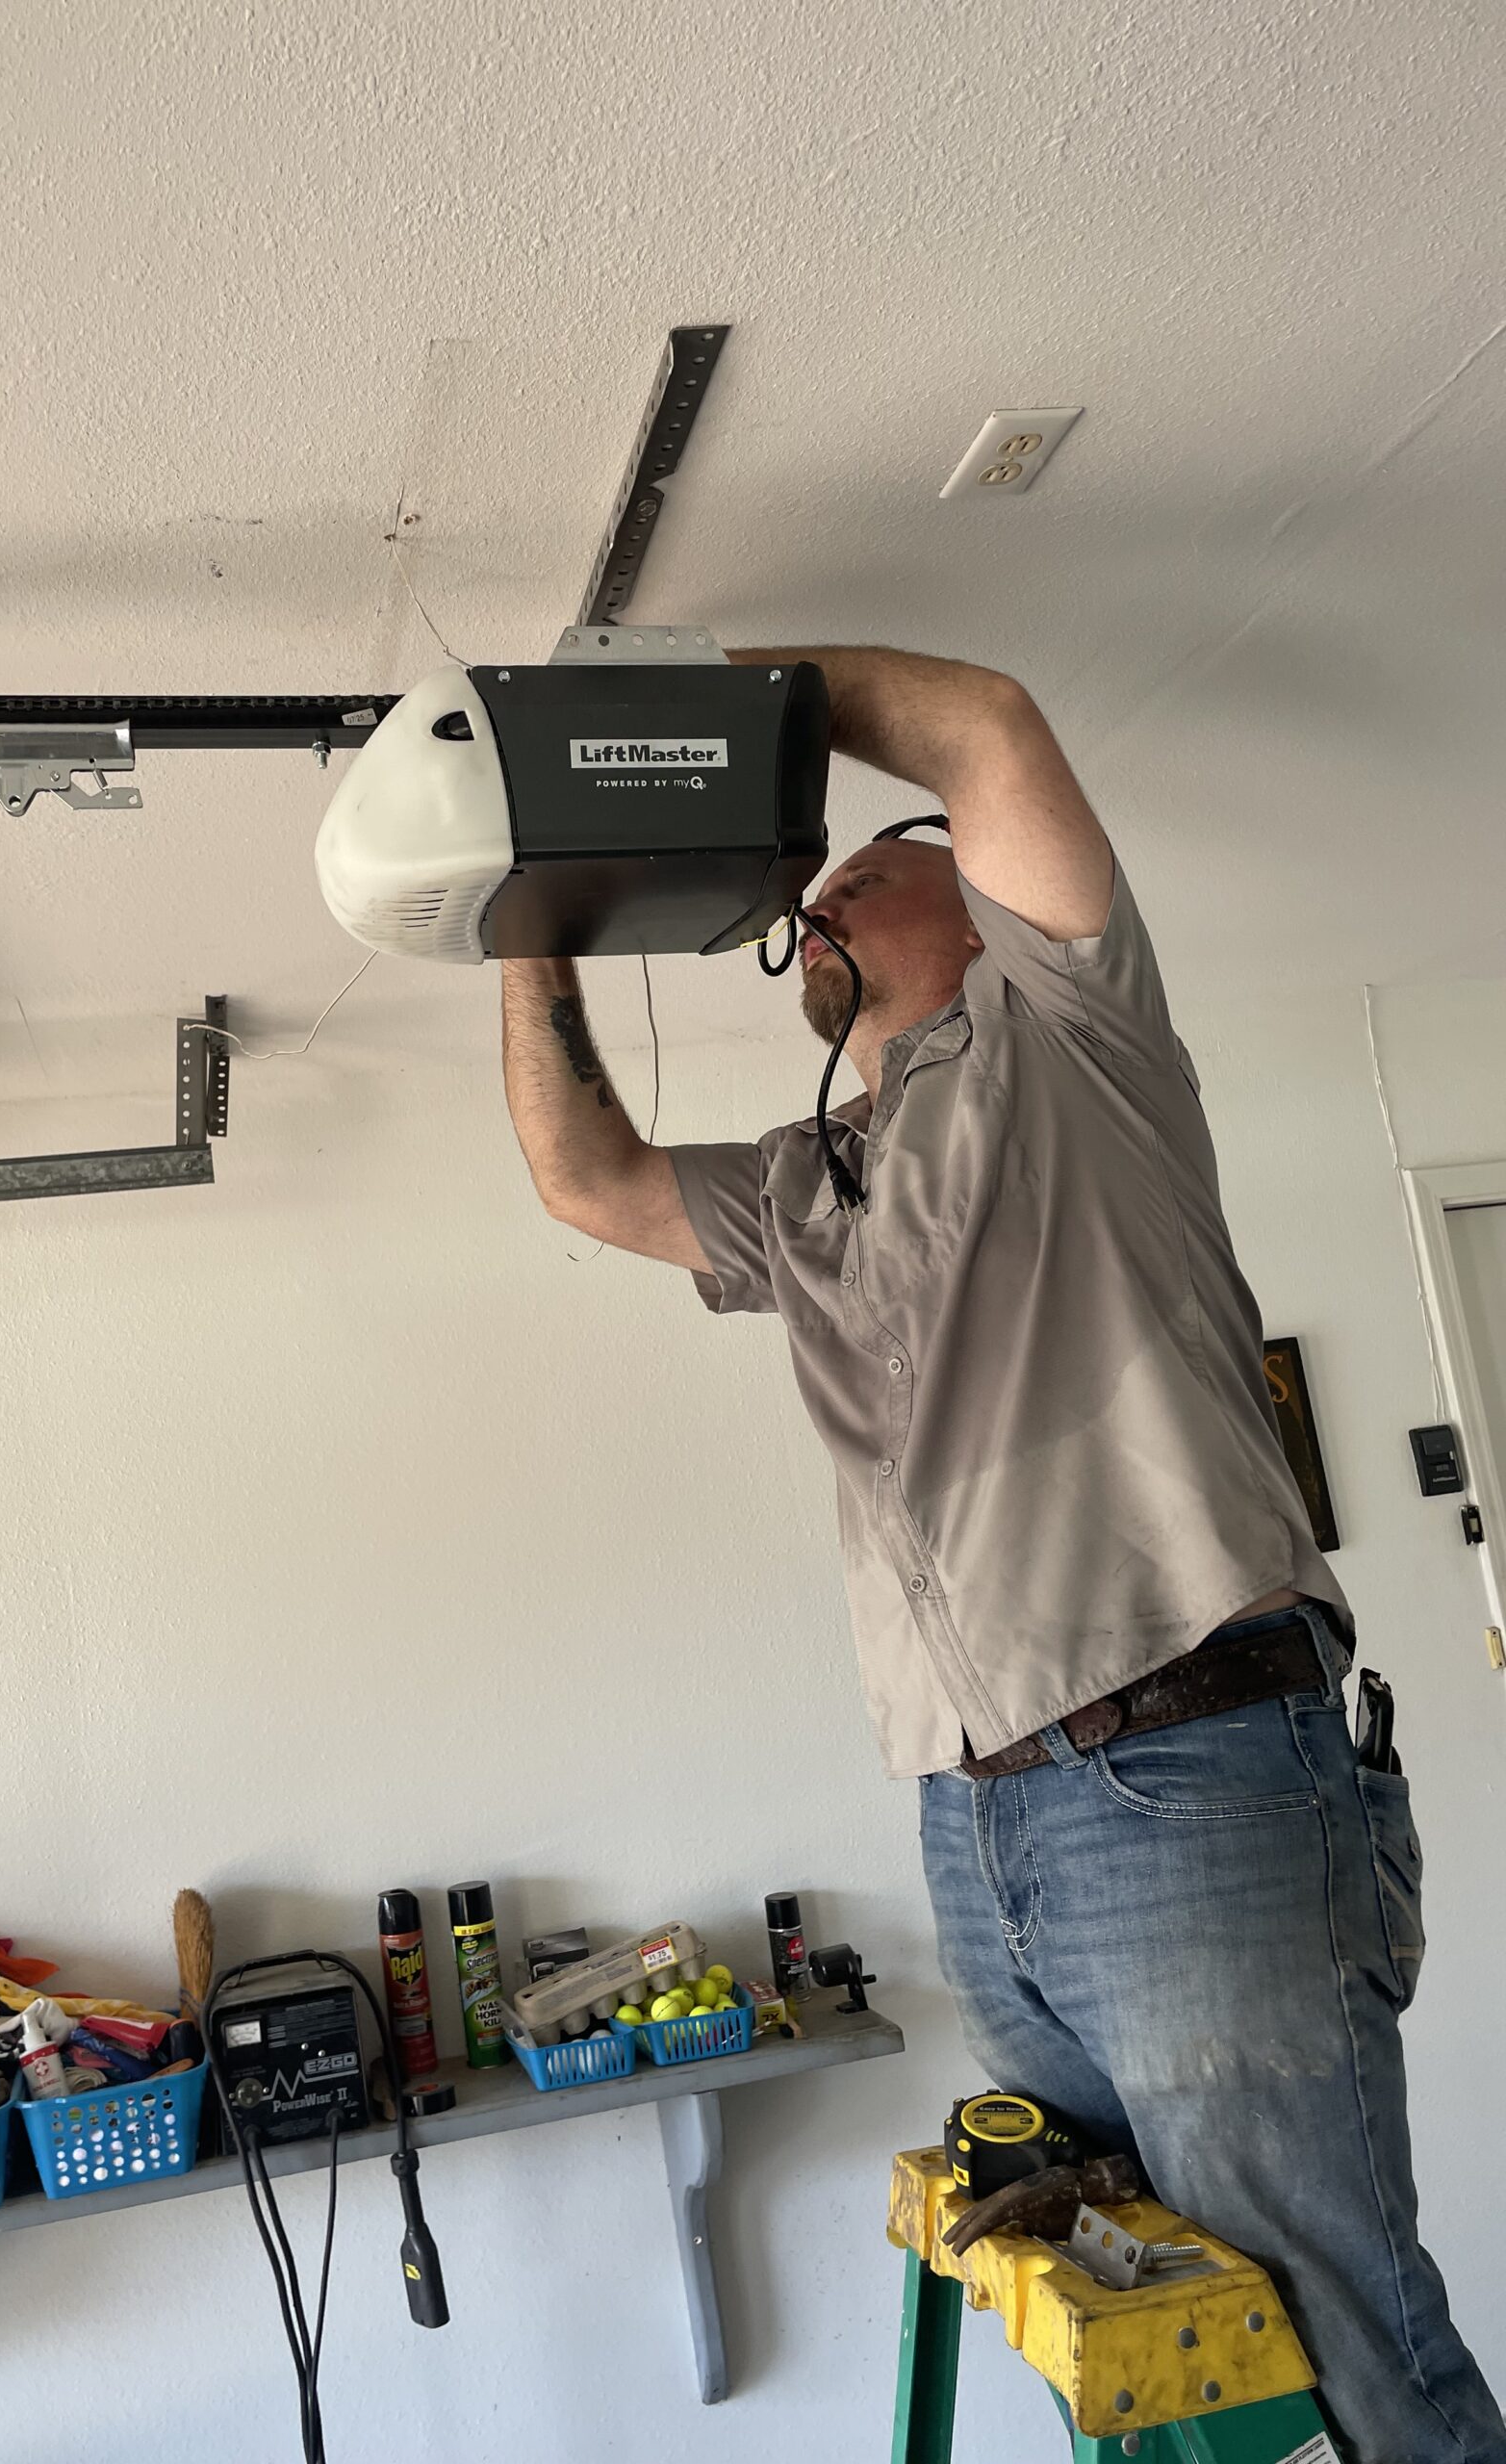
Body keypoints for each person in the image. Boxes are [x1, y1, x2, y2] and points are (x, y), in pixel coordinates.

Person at [498, 643, 1504, 2462]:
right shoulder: (804, 1183)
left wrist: (735, 709)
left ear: (974, 901)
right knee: (1147, 2317)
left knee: (1331, 2313)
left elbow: (984, 728)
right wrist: (528, 916)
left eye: (861, 870)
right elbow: (587, 1176)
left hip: (1192, 1763)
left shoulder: (1077, 1047)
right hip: (977, 1820)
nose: (815, 900)